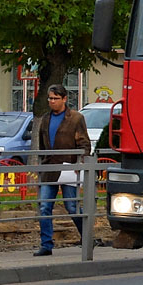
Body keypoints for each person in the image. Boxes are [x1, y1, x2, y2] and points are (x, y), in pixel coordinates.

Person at [33, 84, 91, 256]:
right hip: (49, 169)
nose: (52, 101)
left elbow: (84, 144)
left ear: (64, 99)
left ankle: (87, 237)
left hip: (68, 169)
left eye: (55, 98)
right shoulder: (45, 119)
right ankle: (46, 245)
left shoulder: (75, 118)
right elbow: (42, 145)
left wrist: (80, 164)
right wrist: (41, 164)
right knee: (44, 207)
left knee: (72, 206)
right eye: (50, 98)